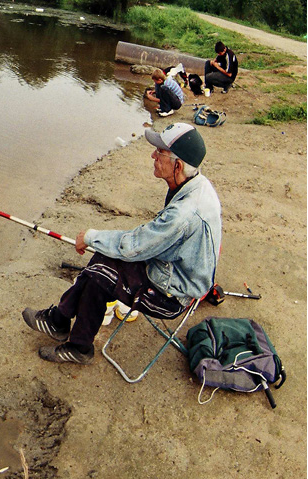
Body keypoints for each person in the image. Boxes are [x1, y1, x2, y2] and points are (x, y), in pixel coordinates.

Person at [22, 122, 221, 364]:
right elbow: (146, 241)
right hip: (172, 268)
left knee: (100, 275)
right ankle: (59, 321)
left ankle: (77, 345)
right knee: (102, 261)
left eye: (160, 152)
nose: (153, 155)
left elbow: (135, 245)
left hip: (174, 294)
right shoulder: (196, 183)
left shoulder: (184, 215)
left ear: (177, 165)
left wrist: (90, 237)